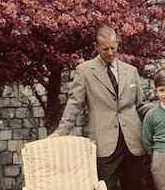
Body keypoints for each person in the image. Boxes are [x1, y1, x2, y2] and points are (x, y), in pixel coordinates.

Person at [49, 25, 150, 190]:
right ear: (96, 47)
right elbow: (74, 104)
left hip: (132, 142)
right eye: (105, 49)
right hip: (104, 143)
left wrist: (162, 110)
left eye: (113, 48)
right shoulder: (85, 71)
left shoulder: (131, 71)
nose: (110, 52)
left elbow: (142, 105)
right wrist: (60, 132)